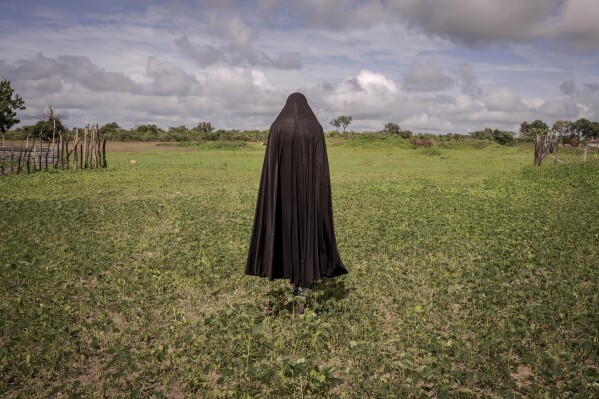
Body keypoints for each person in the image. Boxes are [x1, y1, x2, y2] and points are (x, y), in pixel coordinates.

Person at [245, 93, 348, 313]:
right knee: (308, 229)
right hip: (310, 195)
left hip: (283, 196)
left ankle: (293, 278)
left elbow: (272, 167)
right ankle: (304, 284)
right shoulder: (314, 127)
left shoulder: (278, 126)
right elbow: (320, 169)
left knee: (285, 227)